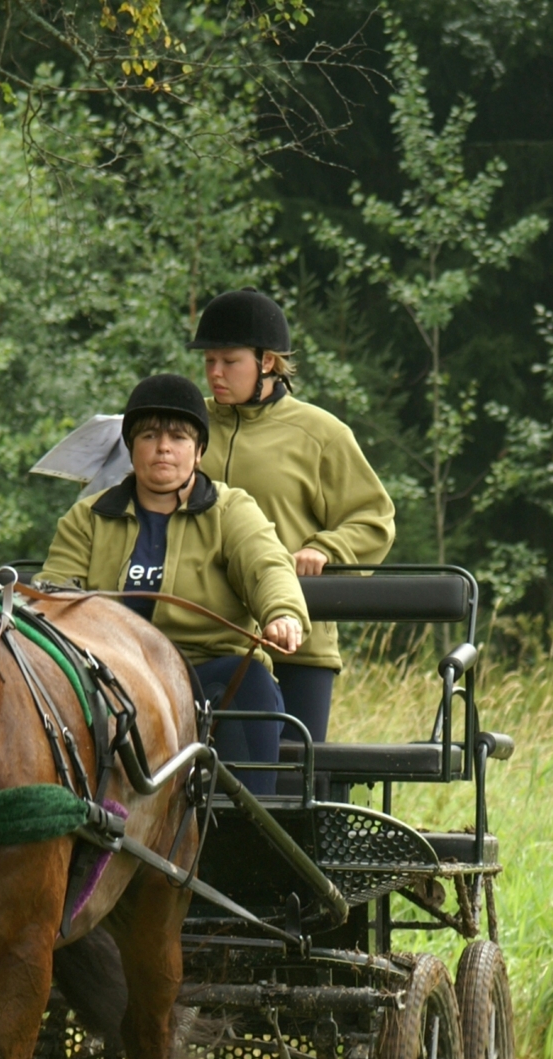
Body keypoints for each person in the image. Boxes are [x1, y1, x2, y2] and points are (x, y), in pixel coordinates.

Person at [39, 374, 309, 795]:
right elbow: (55, 593)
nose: (163, 447)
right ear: (132, 449)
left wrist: (282, 612)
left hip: (206, 670)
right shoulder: (88, 517)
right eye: (149, 435)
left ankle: (251, 826)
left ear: (198, 451)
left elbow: (267, 566)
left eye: (179, 437)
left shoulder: (231, 509)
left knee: (252, 680)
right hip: (111, 676)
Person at [191, 288, 395, 741]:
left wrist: (326, 548)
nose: (215, 374)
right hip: (208, 641)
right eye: (209, 362)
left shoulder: (321, 433)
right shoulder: (188, 427)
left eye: (229, 361)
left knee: (290, 790)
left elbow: (375, 518)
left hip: (296, 645)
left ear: (267, 362)